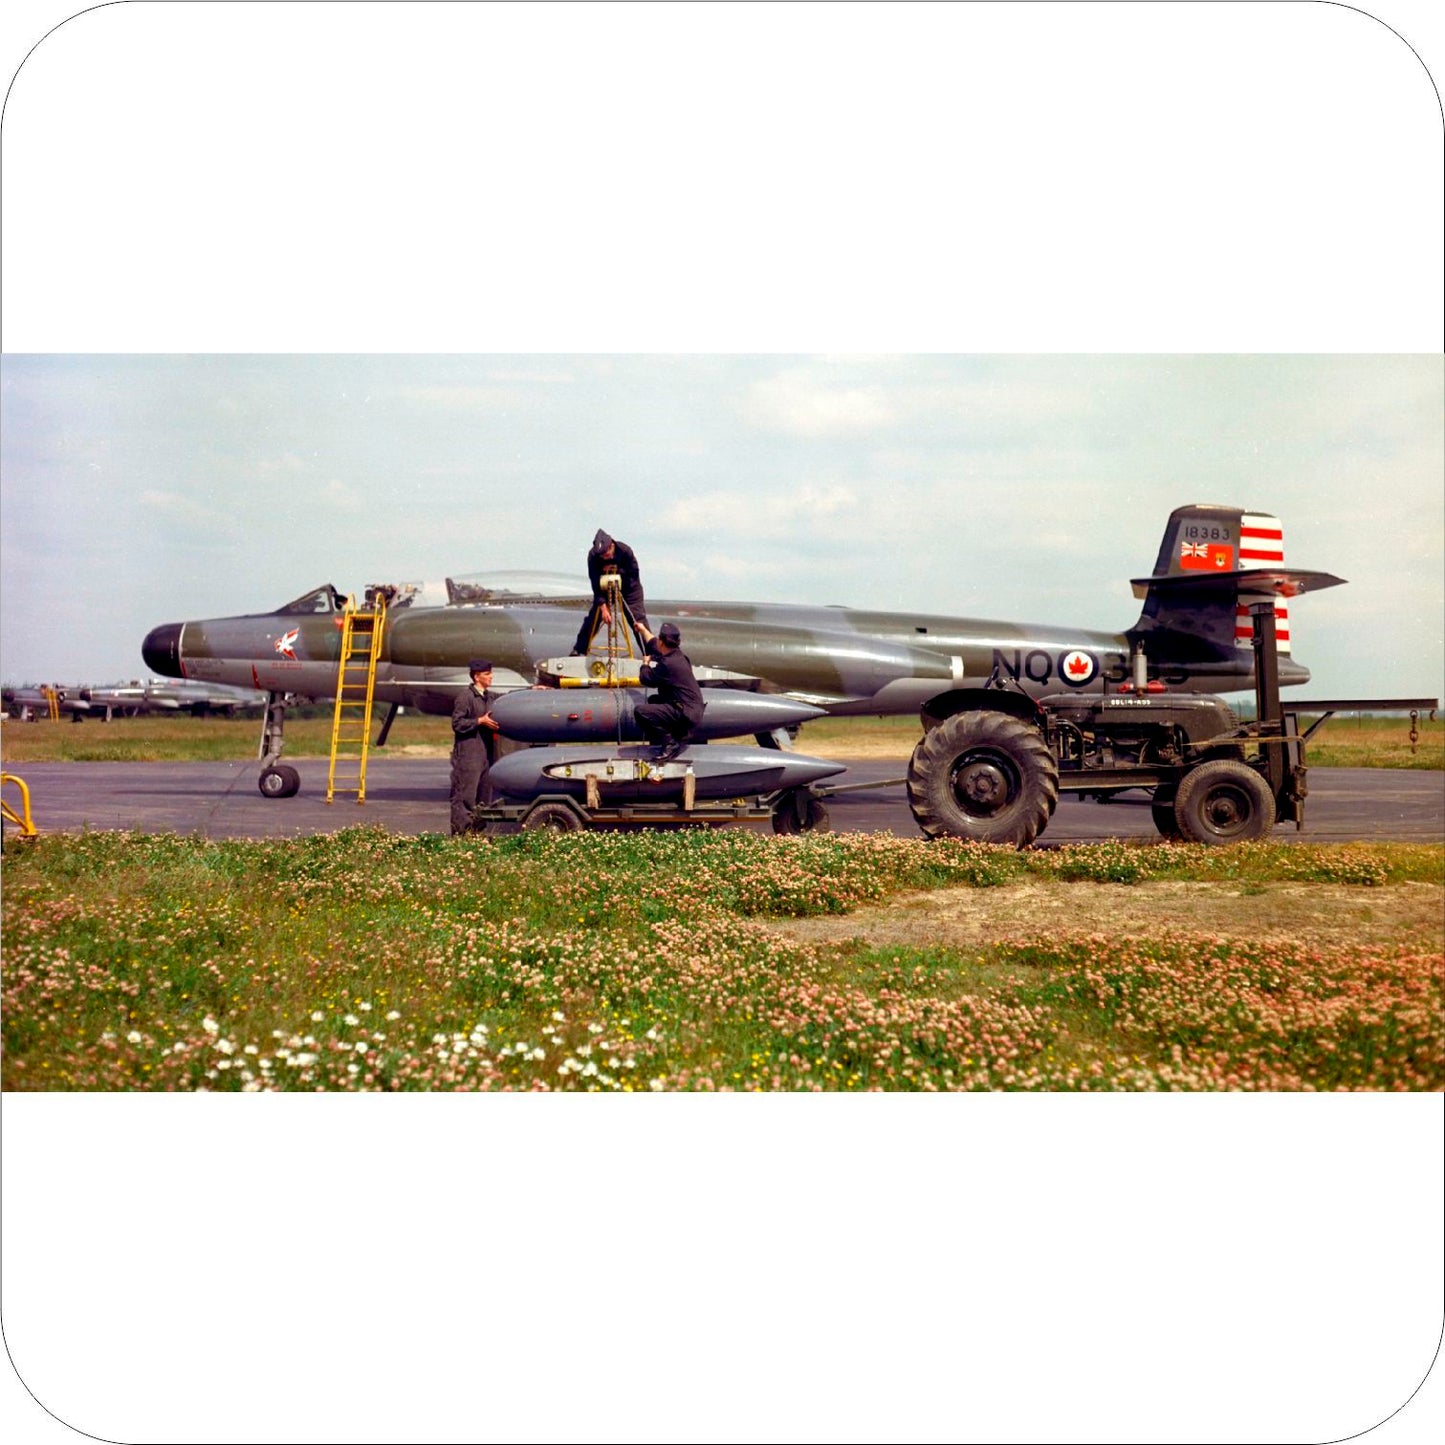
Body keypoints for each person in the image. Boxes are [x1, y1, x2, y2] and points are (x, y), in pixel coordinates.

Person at [635, 622, 704, 760]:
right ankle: (679, 734)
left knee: (641, 712)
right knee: (654, 700)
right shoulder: (678, 655)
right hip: (692, 709)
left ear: (662, 641)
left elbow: (646, 679)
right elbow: (653, 643)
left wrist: (645, 664)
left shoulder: (668, 665)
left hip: (686, 714)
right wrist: (642, 630)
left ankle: (670, 744)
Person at [571, 529, 649, 654]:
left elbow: (633, 574)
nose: (605, 558)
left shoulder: (625, 551)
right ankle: (579, 650)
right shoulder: (593, 556)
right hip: (604, 588)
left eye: (606, 555)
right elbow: (595, 583)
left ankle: (650, 653)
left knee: (636, 619)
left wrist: (617, 570)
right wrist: (603, 607)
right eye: (602, 556)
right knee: (592, 619)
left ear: (611, 545)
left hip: (629, 588)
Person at [450, 659, 501, 834]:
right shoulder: (465, 697)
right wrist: (480, 721)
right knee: (465, 796)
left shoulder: (490, 696)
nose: (491, 676)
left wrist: (533, 690)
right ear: (477, 677)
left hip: (486, 755)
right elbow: (457, 723)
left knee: (484, 796)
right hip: (468, 754)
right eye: (487, 674)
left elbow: (507, 698)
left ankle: (477, 834)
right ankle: (461, 835)